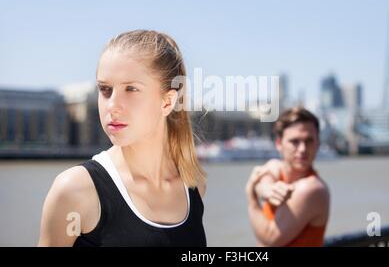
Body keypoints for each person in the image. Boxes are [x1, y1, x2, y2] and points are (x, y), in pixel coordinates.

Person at [38, 30, 207, 246]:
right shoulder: (75, 190)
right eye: (105, 89)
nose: (112, 105)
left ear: (167, 102)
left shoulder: (193, 187)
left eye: (131, 89)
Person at [246, 106, 330, 247]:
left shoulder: (312, 189)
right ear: (279, 143)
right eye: (295, 141)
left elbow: (270, 237)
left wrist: (252, 197)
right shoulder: (275, 167)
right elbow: (266, 178)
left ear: (318, 143)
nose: (302, 149)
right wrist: (265, 189)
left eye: (309, 141)